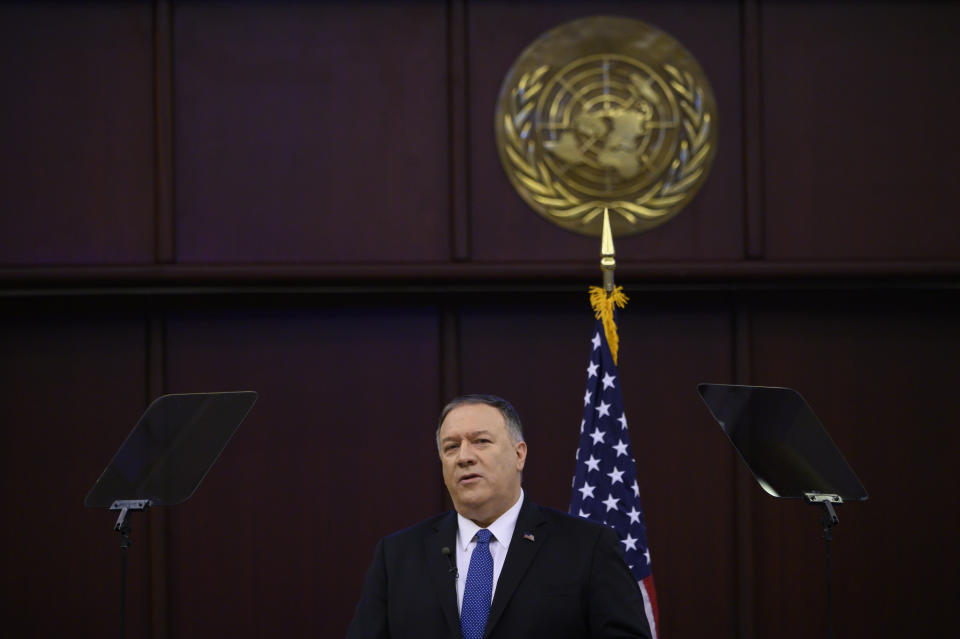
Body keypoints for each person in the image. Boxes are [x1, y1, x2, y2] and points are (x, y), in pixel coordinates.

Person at [346, 394, 652, 639]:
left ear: (519, 454)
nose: (464, 457)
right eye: (451, 447)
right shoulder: (397, 555)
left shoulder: (587, 547)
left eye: (481, 441)